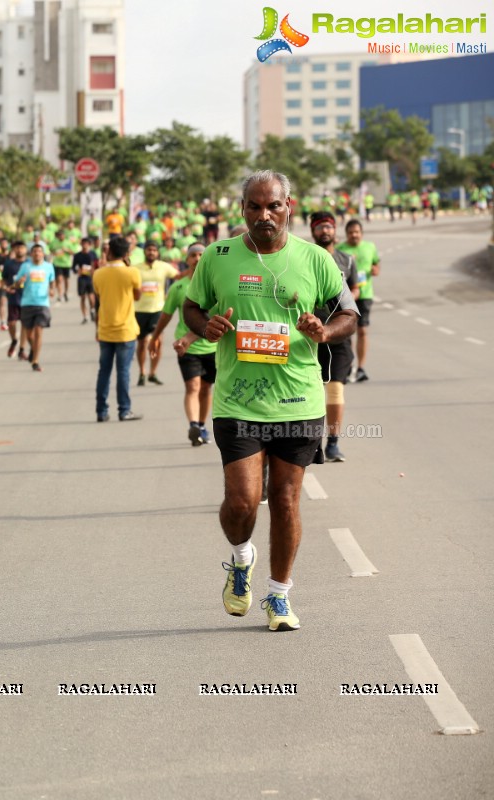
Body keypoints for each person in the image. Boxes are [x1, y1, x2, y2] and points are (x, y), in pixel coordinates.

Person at [182, 170, 358, 632]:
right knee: (242, 502)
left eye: (273, 206)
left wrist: (325, 331)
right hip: (239, 403)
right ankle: (241, 558)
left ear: (289, 207)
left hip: (299, 400)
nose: (264, 215)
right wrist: (206, 328)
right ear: (242, 209)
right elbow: (192, 305)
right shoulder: (218, 256)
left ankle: (279, 596)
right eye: (255, 206)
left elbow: (349, 315)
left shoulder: (316, 259)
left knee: (284, 500)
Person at [308, 212, 358, 463]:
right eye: (320, 228)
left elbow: (355, 287)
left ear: (335, 230)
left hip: (339, 337)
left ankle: (334, 444)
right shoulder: (306, 259)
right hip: (310, 338)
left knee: (336, 388)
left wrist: (346, 307)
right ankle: (314, 442)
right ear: (313, 231)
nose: (325, 231)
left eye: (329, 227)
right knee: (315, 391)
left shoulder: (346, 260)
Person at [151, 243, 212, 444]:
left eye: (201, 254)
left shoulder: (214, 284)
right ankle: (193, 424)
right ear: (186, 260)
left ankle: (202, 425)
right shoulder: (178, 287)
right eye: (193, 255)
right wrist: (155, 337)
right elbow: (166, 315)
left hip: (213, 347)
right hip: (187, 347)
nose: (197, 258)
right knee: (192, 386)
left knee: (205, 388)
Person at [93, 237, 142, 422]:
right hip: (126, 329)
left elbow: (99, 296)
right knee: (124, 371)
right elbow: (137, 296)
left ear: (108, 252)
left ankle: (101, 410)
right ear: (127, 254)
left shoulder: (98, 274)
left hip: (105, 328)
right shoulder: (132, 273)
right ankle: (124, 409)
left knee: (104, 371)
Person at [336, 220, 380, 382]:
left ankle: (361, 368)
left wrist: (375, 270)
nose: (354, 235)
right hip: (345, 296)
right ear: (346, 234)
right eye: (351, 232)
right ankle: (347, 367)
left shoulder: (370, 247)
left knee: (362, 331)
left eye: (357, 232)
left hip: (365, 294)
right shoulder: (340, 250)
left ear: (361, 233)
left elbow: (376, 266)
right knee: (346, 333)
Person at [134, 241, 180, 387]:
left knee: (157, 341)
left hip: (158, 309)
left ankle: (153, 373)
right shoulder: (136, 268)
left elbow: (178, 276)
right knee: (142, 343)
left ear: (157, 252)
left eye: (154, 250)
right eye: (149, 250)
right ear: (144, 252)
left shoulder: (163, 266)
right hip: (139, 310)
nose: (151, 252)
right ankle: (142, 372)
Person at [15, 243, 55, 372]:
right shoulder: (25, 266)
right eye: (35, 251)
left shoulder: (48, 267)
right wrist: (19, 282)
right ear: (31, 254)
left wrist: (52, 290)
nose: (37, 253)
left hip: (43, 304)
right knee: (29, 335)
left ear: (43, 254)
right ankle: (33, 348)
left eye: (39, 251)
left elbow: (52, 281)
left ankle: (35, 361)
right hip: (27, 303)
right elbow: (16, 284)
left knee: (38, 331)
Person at [0, 240, 27, 359]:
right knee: (11, 323)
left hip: (27, 298)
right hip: (14, 298)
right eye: (17, 248)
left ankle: (22, 349)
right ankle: (14, 340)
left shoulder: (29, 263)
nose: (19, 250)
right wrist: (6, 288)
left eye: (21, 247)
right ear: (14, 250)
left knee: (25, 325)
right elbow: (4, 280)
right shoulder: (9, 264)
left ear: (25, 249)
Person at [73, 236, 99, 325]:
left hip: (91, 278)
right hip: (82, 279)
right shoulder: (77, 255)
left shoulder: (93, 254)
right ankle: (85, 316)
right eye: (83, 244)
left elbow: (97, 265)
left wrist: (93, 269)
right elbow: (73, 267)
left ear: (89, 245)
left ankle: (92, 310)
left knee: (92, 298)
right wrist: (77, 271)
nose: (85, 245)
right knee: (83, 297)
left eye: (86, 244)